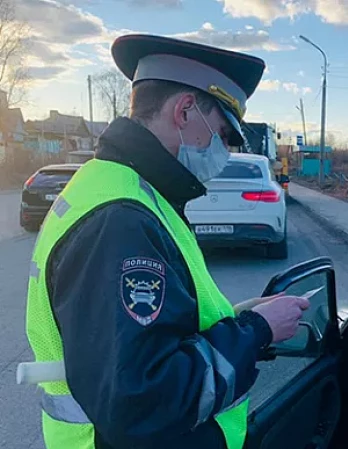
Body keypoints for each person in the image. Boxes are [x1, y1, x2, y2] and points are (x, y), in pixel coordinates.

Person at [25, 34, 309, 449]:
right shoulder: (119, 221)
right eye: (225, 135)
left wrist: (238, 317)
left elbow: (155, 334)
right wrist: (256, 331)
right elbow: (145, 403)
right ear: (185, 111)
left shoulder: (124, 188)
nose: (226, 151)